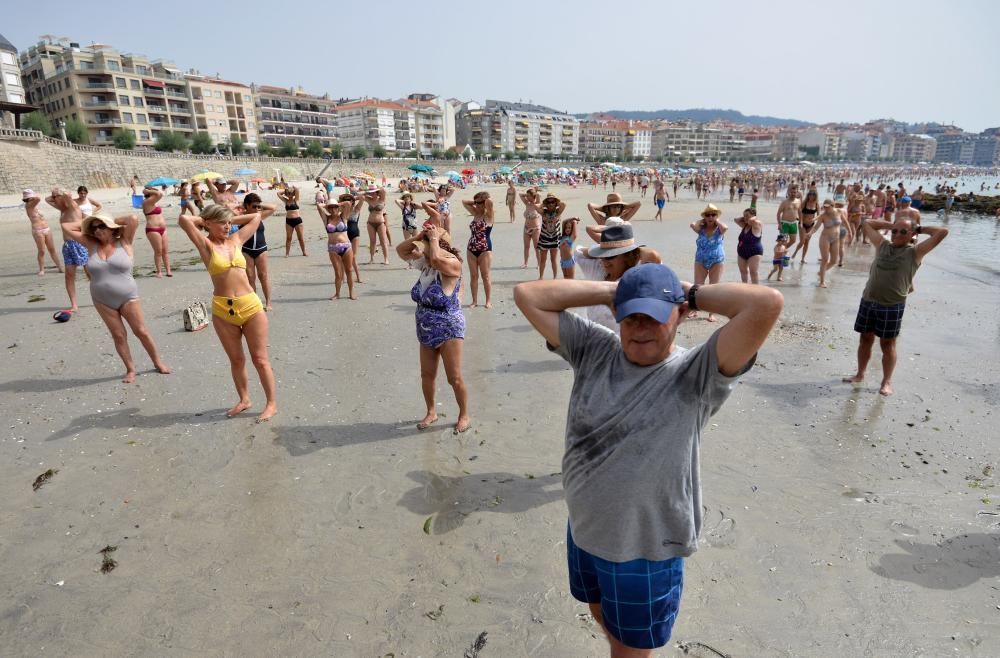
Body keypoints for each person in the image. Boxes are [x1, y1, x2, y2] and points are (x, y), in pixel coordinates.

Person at [513, 263, 782, 658]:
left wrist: (690, 294)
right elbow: (527, 295)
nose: (639, 328)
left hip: (645, 546)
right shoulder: (595, 349)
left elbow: (765, 304)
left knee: (631, 649)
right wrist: (614, 291)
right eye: (630, 317)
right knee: (600, 613)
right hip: (586, 530)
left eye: (653, 317)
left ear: (680, 315)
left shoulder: (698, 372)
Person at [178, 204, 278, 421]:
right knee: (236, 360)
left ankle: (271, 403)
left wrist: (231, 216)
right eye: (222, 222)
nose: (227, 226)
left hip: (250, 306)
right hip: (223, 310)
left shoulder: (237, 239)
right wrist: (203, 219)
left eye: (229, 222)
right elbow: (184, 221)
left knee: (260, 359)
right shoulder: (205, 245)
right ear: (208, 224)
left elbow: (256, 217)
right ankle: (244, 399)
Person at [842, 217, 948, 396]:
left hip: (891, 306)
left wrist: (918, 228)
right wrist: (892, 225)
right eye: (895, 231)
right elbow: (867, 223)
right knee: (865, 340)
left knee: (887, 344)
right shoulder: (883, 245)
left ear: (912, 235)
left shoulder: (915, 252)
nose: (897, 235)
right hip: (868, 300)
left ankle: (886, 381)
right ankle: (860, 374)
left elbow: (942, 232)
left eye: (903, 232)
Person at [64, 212, 170, 383]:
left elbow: (133, 219)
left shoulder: (125, 241)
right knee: (118, 335)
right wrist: (90, 222)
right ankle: (130, 369)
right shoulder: (90, 243)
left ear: (112, 228)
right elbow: (66, 226)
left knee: (141, 331)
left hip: (128, 296)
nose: (97, 230)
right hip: (101, 299)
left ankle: (158, 362)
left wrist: (110, 220)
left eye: (102, 226)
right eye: (94, 227)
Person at [395, 223, 470, 434]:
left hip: (449, 327)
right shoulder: (426, 264)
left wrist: (434, 240)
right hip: (425, 326)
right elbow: (401, 251)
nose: (420, 252)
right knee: (426, 375)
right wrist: (419, 236)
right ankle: (431, 411)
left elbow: (437, 259)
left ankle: (464, 414)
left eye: (423, 247)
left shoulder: (451, 263)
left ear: (437, 245)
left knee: (453, 377)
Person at [574, 223, 661, 334]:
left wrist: (630, 248)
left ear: (627, 256)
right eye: (602, 256)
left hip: (622, 347)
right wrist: (604, 246)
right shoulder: (598, 268)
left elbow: (654, 256)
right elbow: (579, 252)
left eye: (610, 256)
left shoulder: (637, 274)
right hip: (593, 344)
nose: (605, 262)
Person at [45, 188, 88, 313]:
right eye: (54, 197)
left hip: (79, 243)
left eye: (56, 197)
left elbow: (67, 195)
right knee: (69, 276)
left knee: (90, 273)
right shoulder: (62, 209)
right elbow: (47, 199)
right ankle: (74, 305)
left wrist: (61, 193)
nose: (54, 199)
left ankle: (103, 298)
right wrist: (55, 195)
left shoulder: (72, 206)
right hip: (68, 246)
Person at [236, 193, 277, 311]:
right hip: (247, 250)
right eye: (253, 206)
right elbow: (228, 210)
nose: (256, 208)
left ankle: (268, 302)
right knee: (250, 277)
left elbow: (273, 207)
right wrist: (240, 206)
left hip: (261, 249)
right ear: (246, 206)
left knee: (263, 276)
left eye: (257, 206)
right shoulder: (241, 217)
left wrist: (259, 205)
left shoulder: (259, 215)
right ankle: (254, 303)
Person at [689, 204, 728, 322]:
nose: (710, 217)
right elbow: (692, 225)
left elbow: (725, 228)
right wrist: (701, 221)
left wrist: (717, 221)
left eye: (713, 215)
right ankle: (694, 310)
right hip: (700, 259)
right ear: (704, 217)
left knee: (713, 286)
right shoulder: (700, 229)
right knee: (698, 286)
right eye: (708, 215)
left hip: (717, 260)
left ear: (717, 216)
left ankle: (712, 313)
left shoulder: (719, 229)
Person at [461, 191, 494, 308]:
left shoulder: (489, 215)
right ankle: (474, 301)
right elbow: (464, 202)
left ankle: (488, 301)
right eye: (476, 203)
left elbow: (490, 202)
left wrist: (484, 200)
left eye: (480, 203)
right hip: (471, 248)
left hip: (485, 249)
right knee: (473, 276)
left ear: (485, 203)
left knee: (485, 276)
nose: (477, 205)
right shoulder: (475, 213)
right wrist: (476, 202)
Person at [318, 199, 356, 300]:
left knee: (349, 270)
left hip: (346, 247)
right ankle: (337, 294)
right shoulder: (326, 219)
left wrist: (337, 204)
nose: (333, 209)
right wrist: (328, 205)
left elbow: (348, 203)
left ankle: (351, 292)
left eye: (334, 207)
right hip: (333, 249)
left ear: (338, 208)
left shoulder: (343, 217)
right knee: (338, 273)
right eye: (330, 207)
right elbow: (319, 206)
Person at [811, 199, 850, 288]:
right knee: (825, 260)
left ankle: (821, 272)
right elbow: (816, 227)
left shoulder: (839, 211)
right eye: (824, 207)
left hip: (836, 239)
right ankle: (822, 282)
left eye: (827, 207)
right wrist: (809, 234)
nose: (825, 209)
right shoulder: (823, 215)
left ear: (833, 206)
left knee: (834, 261)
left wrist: (850, 233)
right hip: (825, 238)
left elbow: (845, 221)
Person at [23, 189, 63, 275]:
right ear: (27, 198)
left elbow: (42, 199)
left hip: (46, 229)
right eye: (30, 197)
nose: (32, 198)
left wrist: (55, 195)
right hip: (38, 231)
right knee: (42, 251)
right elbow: (38, 199)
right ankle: (41, 269)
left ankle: (60, 267)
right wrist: (33, 197)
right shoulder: (29, 205)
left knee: (52, 249)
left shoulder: (34, 206)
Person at [140, 187, 172, 277]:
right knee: (158, 251)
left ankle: (168, 270)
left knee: (165, 251)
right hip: (153, 229)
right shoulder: (146, 202)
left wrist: (151, 189)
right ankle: (159, 272)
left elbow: (159, 194)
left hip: (163, 229)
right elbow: (159, 194)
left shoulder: (154, 203)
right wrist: (149, 190)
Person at [538, 194, 565, 279]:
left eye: (552, 202)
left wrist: (557, 201)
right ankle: (541, 277)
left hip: (555, 238)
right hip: (544, 239)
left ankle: (555, 277)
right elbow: (536, 206)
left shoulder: (558, 212)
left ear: (555, 203)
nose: (550, 204)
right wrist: (544, 204)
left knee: (553, 260)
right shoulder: (543, 212)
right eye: (548, 202)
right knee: (543, 260)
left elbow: (564, 204)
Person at [735, 207, 763, 284]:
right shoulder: (744, 225)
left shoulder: (757, 225)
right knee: (743, 272)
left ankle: (756, 290)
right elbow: (736, 220)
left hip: (754, 253)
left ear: (754, 216)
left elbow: (751, 221)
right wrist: (745, 218)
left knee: (753, 272)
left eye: (747, 215)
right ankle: (745, 289)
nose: (745, 217)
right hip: (742, 253)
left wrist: (753, 217)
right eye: (744, 216)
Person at [340, 193, 365, 283]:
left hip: (355, 234)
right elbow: (337, 201)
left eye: (350, 201)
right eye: (346, 201)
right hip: (344, 235)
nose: (349, 202)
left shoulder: (356, 209)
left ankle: (358, 277)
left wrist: (352, 198)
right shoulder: (341, 210)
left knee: (353, 257)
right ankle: (343, 278)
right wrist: (346, 201)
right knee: (343, 257)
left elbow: (362, 197)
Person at [363, 188, 391, 265]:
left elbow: (384, 191)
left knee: (383, 241)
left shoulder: (382, 199)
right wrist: (367, 192)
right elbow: (361, 196)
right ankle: (371, 259)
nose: (372, 194)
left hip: (380, 223)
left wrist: (376, 188)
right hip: (370, 223)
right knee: (372, 241)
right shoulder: (369, 200)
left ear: (377, 193)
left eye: (374, 193)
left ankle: (386, 259)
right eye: (371, 193)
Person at [277, 185, 307, 257]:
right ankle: (287, 253)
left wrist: (292, 188)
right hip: (289, 221)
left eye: (290, 193)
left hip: (298, 221)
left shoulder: (296, 200)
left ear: (293, 193)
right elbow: (278, 193)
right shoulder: (285, 201)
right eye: (288, 194)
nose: (289, 195)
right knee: (289, 238)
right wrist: (286, 190)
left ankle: (304, 252)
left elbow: (297, 190)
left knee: (300, 237)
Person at [792, 190, 820, 263]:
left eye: (813, 195)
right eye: (810, 194)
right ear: (808, 195)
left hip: (811, 225)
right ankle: (795, 253)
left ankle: (803, 259)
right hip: (802, 224)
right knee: (802, 241)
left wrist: (814, 219)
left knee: (807, 242)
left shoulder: (817, 204)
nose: (811, 196)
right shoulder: (805, 202)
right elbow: (799, 211)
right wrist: (801, 222)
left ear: (815, 196)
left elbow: (819, 215)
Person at [520, 187, 542, 269]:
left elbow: (538, 195)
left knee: (537, 247)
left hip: (535, 229)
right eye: (527, 196)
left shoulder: (538, 204)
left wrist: (534, 192)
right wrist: (527, 194)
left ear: (533, 196)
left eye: (529, 196)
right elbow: (520, 195)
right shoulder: (527, 204)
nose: (527, 197)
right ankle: (525, 263)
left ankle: (539, 264)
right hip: (526, 228)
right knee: (526, 246)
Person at [776, 186, 801, 251]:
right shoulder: (784, 202)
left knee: (793, 240)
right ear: (789, 192)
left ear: (797, 193)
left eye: (795, 192)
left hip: (793, 224)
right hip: (785, 224)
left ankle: (782, 250)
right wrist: (779, 224)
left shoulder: (798, 201)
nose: (793, 194)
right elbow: (778, 213)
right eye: (792, 192)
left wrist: (801, 222)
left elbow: (800, 212)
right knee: (782, 241)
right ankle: (779, 253)